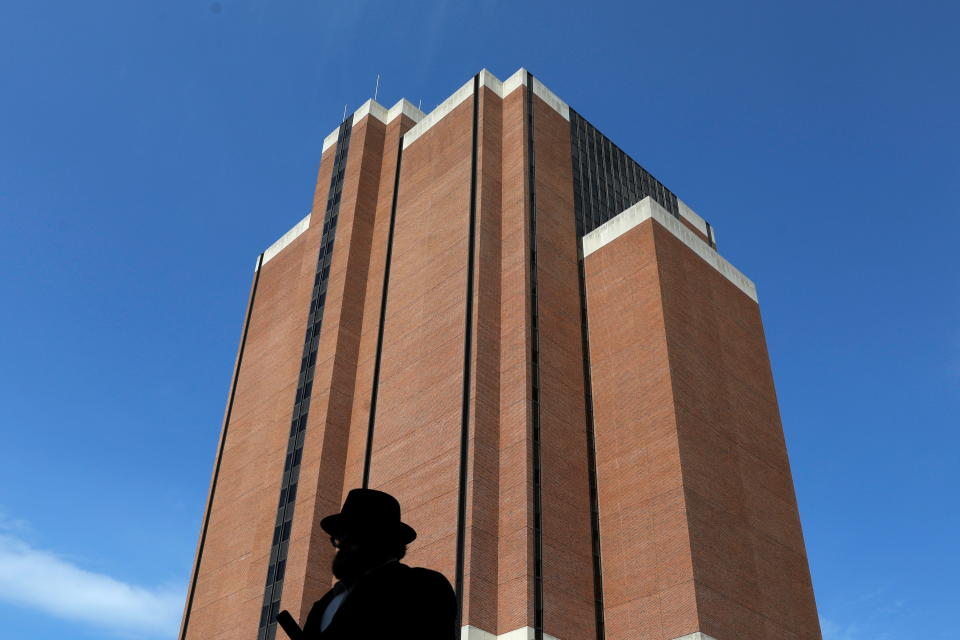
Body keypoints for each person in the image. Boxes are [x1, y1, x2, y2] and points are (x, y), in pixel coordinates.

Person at [276, 488, 457, 640]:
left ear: (381, 539)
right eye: (339, 538)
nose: (341, 546)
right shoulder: (325, 603)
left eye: (352, 536)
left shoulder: (422, 586)